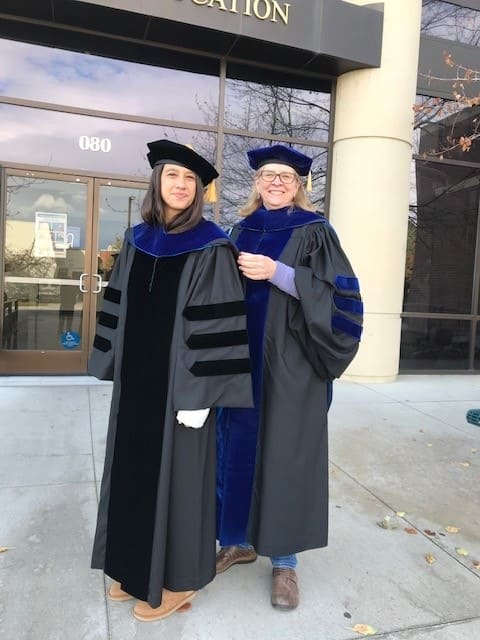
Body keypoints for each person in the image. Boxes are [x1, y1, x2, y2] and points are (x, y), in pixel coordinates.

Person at [89, 139, 252, 622]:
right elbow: (117, 305)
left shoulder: (212, 246)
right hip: (138, 385)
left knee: (179, 485)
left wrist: (202, 394)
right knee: (131, 474)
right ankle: (133, 566)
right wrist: (114, 362)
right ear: (157, 183)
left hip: (182, 392)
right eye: (172, 176)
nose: (180, 186)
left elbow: (221, 321)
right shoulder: (138, 240)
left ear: (199, 191)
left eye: (190, 180)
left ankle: (179, 582)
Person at [215, 144, 363, 610]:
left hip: (291, 364)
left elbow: (341, 297)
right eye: (268, 175)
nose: (276, 182)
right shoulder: (240, 229)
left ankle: (285, 561)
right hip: (241, 363)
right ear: (256, 183)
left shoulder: (315, 231)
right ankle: (237, 541)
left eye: (286, 177)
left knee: (285, 454)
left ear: (300, 186)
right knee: (234, 449)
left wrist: (278, 272)